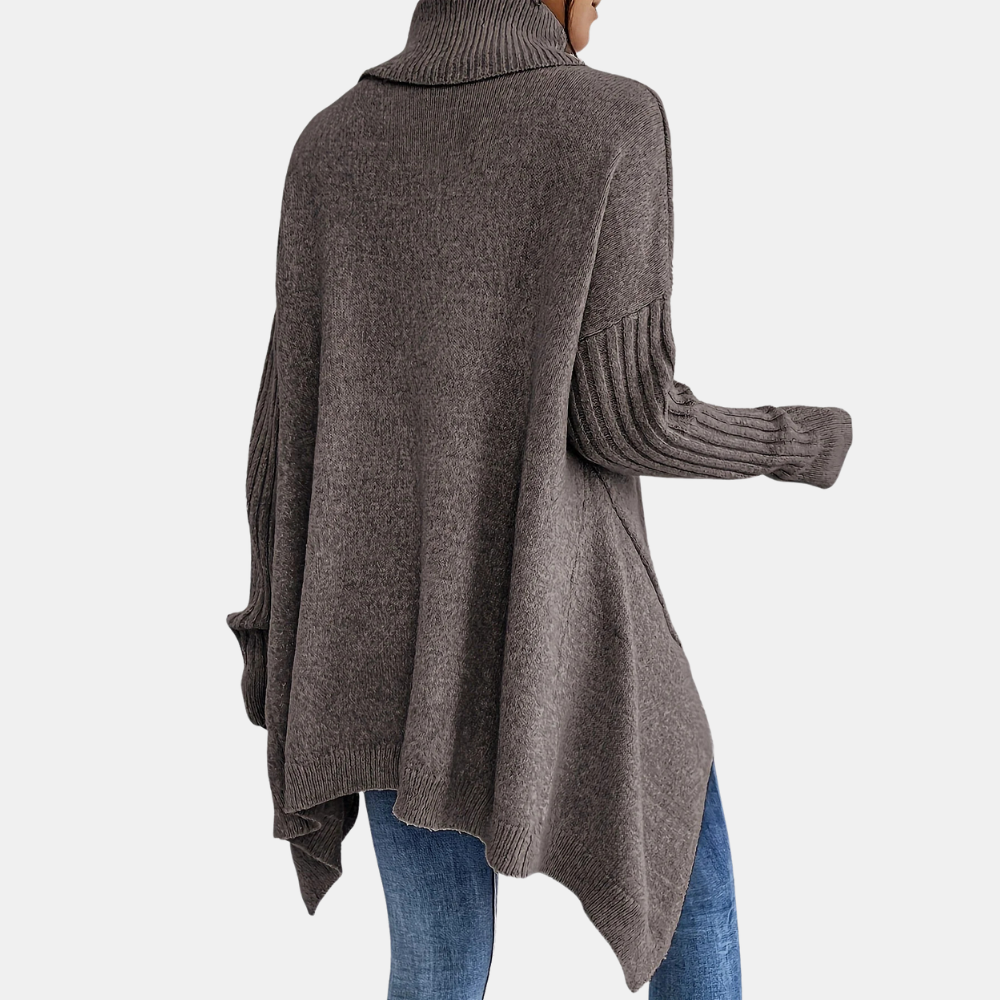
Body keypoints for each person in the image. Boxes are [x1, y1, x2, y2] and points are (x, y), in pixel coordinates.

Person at [226, 1, 853, 997]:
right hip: (560, 622)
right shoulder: (612, 121)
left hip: (375, 638)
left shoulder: (329, 144)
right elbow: (626, 421)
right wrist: (795, 439)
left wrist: (273, 629)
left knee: (435, 963)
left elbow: (279, 433)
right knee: (691, 910)